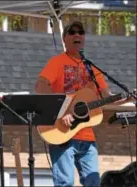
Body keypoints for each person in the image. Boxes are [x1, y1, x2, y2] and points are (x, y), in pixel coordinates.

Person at [35, 21, 130, 186]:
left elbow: (107, 97)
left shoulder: (92, 68)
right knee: (65, 183)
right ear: (65, 39)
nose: (77, 34)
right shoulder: (57, 62)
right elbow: (40, 86)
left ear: (84, 38)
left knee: (94, 183)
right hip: (61, 133)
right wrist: (63, 112)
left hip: (87, 135)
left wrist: (129, 98)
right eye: (72, 32)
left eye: (81, 32)